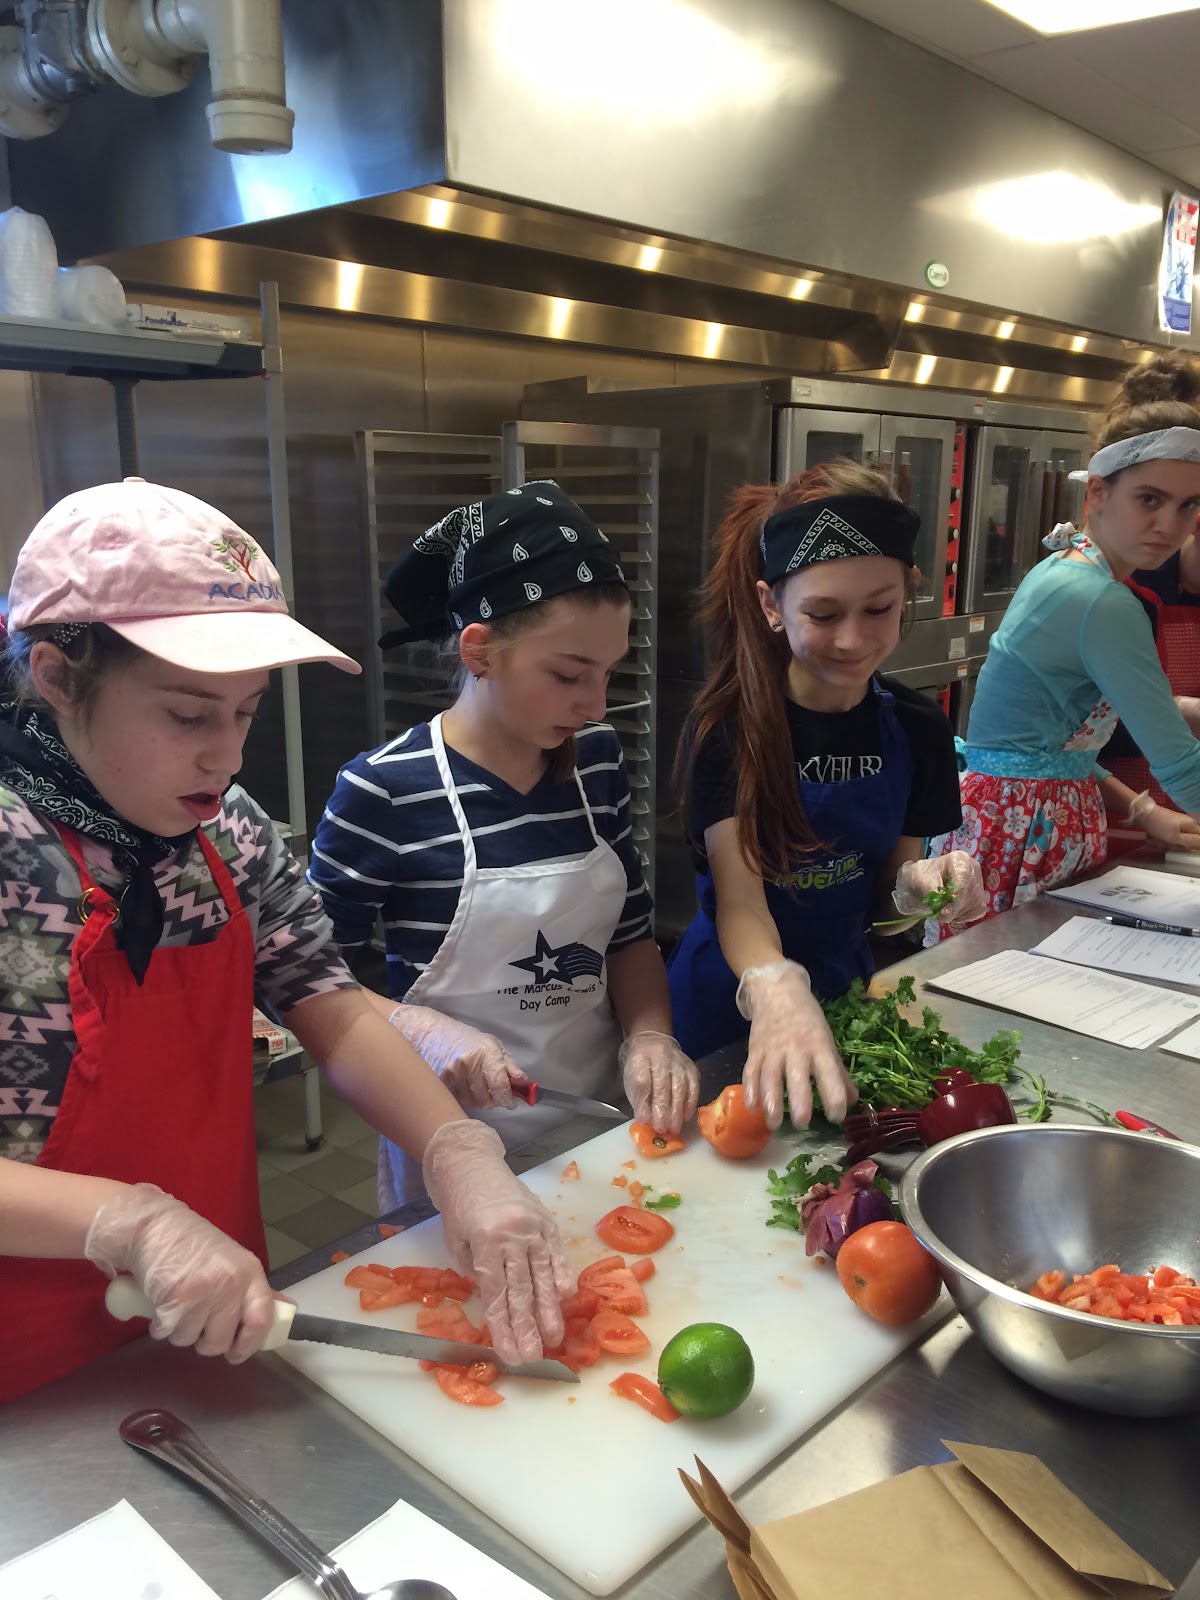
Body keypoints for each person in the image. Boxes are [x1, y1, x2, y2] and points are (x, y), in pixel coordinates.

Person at [0, 479, 571, 1404]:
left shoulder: (231, 833)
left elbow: (331, 1008)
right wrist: (128, 1221)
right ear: (59, 678)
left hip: (214, 1307)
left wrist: (456, 1152)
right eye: (188, 715)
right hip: (21, 1350)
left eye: (246, 712)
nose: (226, 756)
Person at [308, 482, 697, 1208]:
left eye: (609, 672)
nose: (596, 704)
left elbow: (630, 937)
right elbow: (301, 983)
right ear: (480, 651)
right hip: (453, 1146)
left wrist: (651, 1037)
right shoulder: (384, 790)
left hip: (601, 1125)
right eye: (569, 674)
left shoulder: (597, 762)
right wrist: (422, 1032)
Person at [667, 463, 985, 1131]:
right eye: (823, 613)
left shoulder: (918, 728)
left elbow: (885, 910)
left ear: (908, 590)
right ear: (770, 605)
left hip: (846, 996)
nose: (853, 639)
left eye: (879, 609)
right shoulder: (729, 729)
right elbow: (741, 904)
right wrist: (775, 986)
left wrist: (917, 890)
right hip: (731, 998)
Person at [931, 354, 1200, 925]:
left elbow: (1043, 748)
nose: (1169, 526)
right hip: (1022, 831)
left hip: (1027, 819)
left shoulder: (1071, 567)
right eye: (1149, 499)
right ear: (1098, 492)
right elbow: (1181, 764)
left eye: (1189, 506)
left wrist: (1141, 809)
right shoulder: (1100, 599)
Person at [1099, 530, 1200, 806]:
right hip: (1110, 794)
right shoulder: (1119, 588)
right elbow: (1073, 726)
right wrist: (1173, 712)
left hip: (1185, 792)